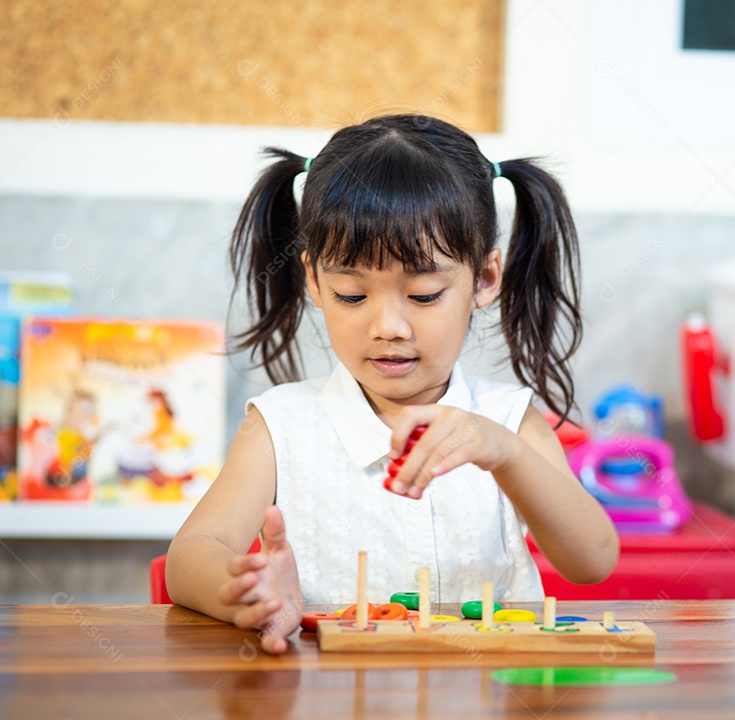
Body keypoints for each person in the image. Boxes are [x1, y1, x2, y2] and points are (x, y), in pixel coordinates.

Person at [166, 114, 619, 654]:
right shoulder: (281, 425)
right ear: (313, 279)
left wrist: (506, 454)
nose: (388, 327)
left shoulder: (510, 421)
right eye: (352, 296)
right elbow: (190, 554)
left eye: (424, 294)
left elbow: (593, 560)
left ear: (485, 279)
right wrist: (243, 591)